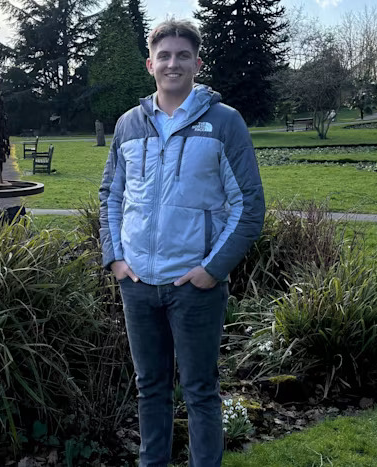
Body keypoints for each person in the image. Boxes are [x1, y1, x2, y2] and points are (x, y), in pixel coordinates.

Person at [99, 19, 265, 466]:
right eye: (165, 56)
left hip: (194, 286)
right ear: (150, 64)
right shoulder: (129, 125)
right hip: (137, 283)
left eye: (183, 55)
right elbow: (111, 195)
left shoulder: (223, 122)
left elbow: (249, 204)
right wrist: (115, 258)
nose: (173, 63)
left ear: (197, 63)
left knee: (200, 392)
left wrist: (211, 270)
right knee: (149, 388)